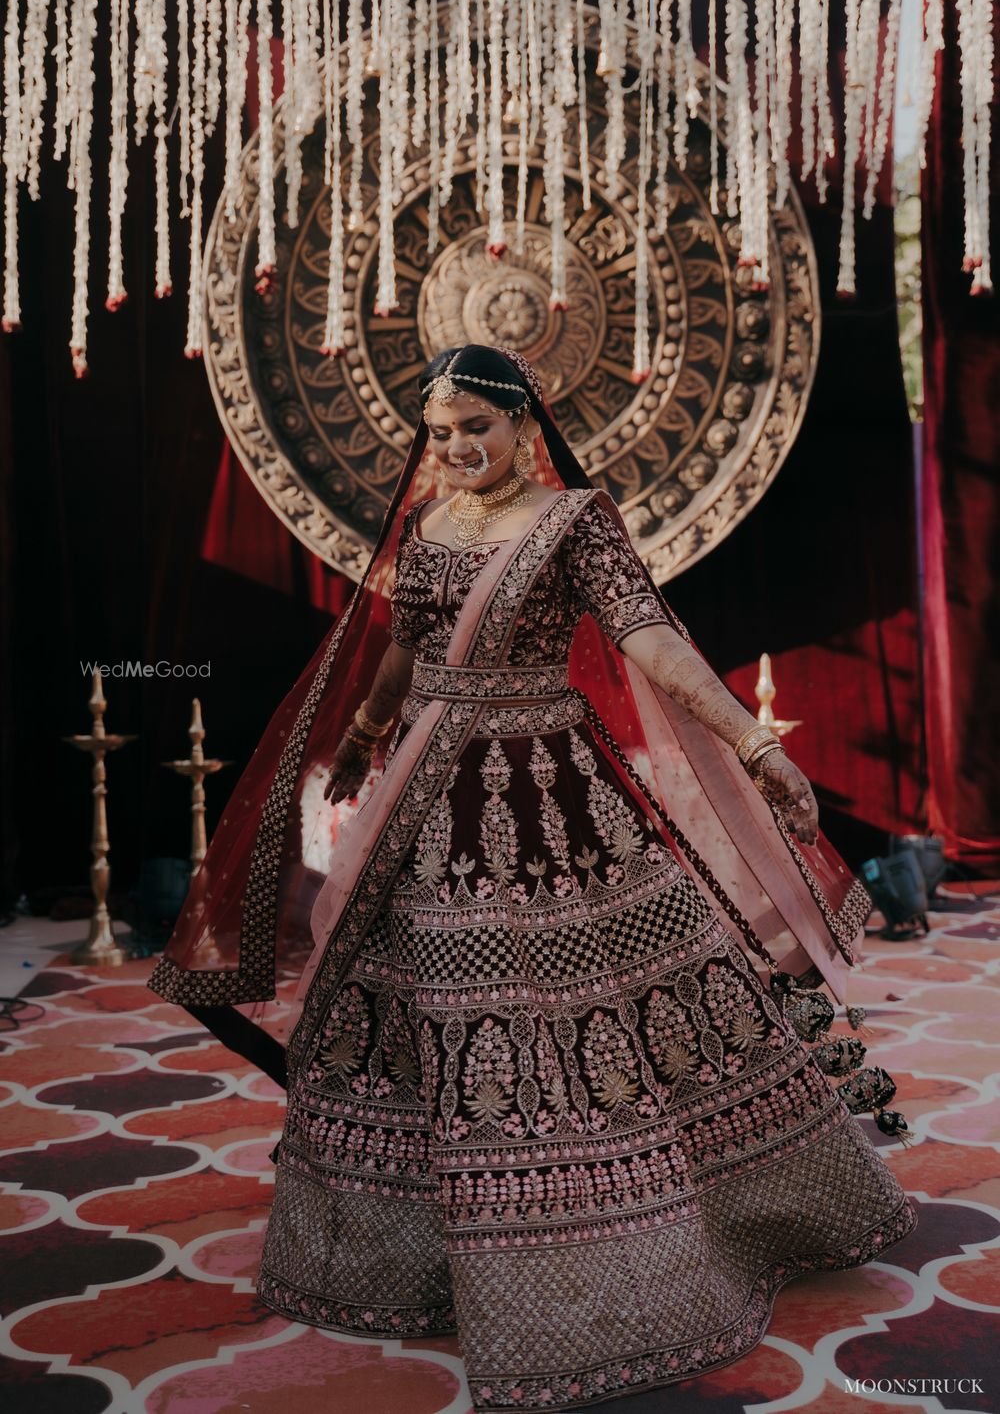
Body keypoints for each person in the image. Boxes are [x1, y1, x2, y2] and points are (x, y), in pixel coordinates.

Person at [148, 342, 915, 1412]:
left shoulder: (572, 521)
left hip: (552, 794)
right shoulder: (425, 528)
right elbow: (404, 647)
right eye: (441, 431)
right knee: (419, 1007)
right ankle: (415, 1253)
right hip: (427, 799)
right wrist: (369, 733)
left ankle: (675, 1232)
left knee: (599, 1008)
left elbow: (648, 637)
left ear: (523, 425)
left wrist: (750, 743)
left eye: (478, 427)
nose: (458, 447)